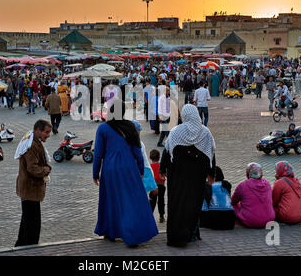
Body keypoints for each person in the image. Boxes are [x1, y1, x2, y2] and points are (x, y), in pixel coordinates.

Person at [92, 100, 158, 247]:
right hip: (129, 168)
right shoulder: (130, 127)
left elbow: (98, 153)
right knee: (131, 201)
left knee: (110, 200)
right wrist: (140, 169)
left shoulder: (103, 128)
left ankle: (110, 232)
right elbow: (137, 151)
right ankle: (133, 232)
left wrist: (95, 173)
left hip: (110, 169)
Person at [160, 104, 215, 247]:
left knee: (176, 204)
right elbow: (211, 155)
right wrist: (211, 174)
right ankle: (191, 234)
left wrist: (161, 170)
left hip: (177, 177)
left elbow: (167, 152)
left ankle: (176, 236)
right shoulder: (205, 133)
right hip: (196, 178)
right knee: (193, 204)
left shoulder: (176, 132)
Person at [14, 120, 52, 247]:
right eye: (46, 132)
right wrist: (46, 169)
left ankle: (20, 247)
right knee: (32, 227)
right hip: (30, 189)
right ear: (37, 130)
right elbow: (32, 168)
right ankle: (30, 250)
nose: (48, 135)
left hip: (28, 189)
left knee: (26, 222)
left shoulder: (32, 140)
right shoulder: (32, 145)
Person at [231, 163, 275, 228]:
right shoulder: (267, 184)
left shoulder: (243, 185)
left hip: (251, 221)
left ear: (247, 173)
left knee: (233, 207)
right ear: (261, 173)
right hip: (270, 220)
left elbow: (233, 202)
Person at [199, 166, 235, 230]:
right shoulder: (226, 184)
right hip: (230, 221)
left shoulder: (207, 186)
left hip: (215, 221)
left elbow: (204, 206)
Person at [148, 149, 166, 223]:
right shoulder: (161, 165)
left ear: (149, 157)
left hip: (153, 186)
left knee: (152, 201)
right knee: (161, 201)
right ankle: (161, 216)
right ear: (159, 157)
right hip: (161, 185)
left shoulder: (149, 167)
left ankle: (150, 216)